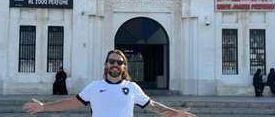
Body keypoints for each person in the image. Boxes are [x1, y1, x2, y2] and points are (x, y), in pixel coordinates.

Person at [23, 49, 196, 117]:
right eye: (112, 61)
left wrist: (175, 113)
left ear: (124, 67)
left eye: (119, 62)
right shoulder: (94, 87)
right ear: (106, 65)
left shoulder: (132, 88)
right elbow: (71, 102)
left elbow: (153, 105)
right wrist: (44, 107)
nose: (115, 64)